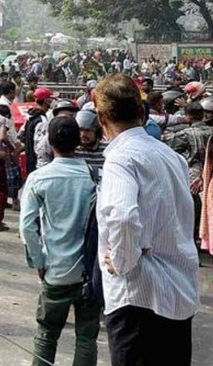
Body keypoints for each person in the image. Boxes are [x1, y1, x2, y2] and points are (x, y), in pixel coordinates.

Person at [95, 74, 198, 366]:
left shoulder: (120, 159)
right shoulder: (170, 157)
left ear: (102, 119)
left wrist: (122, 259)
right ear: (142, 114)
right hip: (177, 294)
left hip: (137, 298)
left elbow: (123, 216)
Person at [20, 116, 100, 366]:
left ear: (49, 142)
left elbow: (27, 226)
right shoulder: (94, 174)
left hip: (55, 270)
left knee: (47, 334)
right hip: (89, 274)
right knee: (86, 337)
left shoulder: (38, 178)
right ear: (78, 141)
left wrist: (38, 261)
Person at [164, 102, 213, 238]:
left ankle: (193, 233)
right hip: (210, 173)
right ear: (203, 115)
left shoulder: (187, 133)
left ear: (188, 117)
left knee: (191, 202)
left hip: (195, 174)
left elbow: (168, 144)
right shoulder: (211, 131)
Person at [21, 88, 55, 176]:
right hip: (38, 166)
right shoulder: (42, 121)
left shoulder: (30, 117)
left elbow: (21, 135)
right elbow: (40, 147)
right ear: (47, 101)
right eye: (52, 99)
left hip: (31, 161)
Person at [74, 110, 107, 184]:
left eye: (87, 130)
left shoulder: (107, 150)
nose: (83, 135)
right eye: (80, 130)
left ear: (97, 132)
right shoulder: (74, 151)